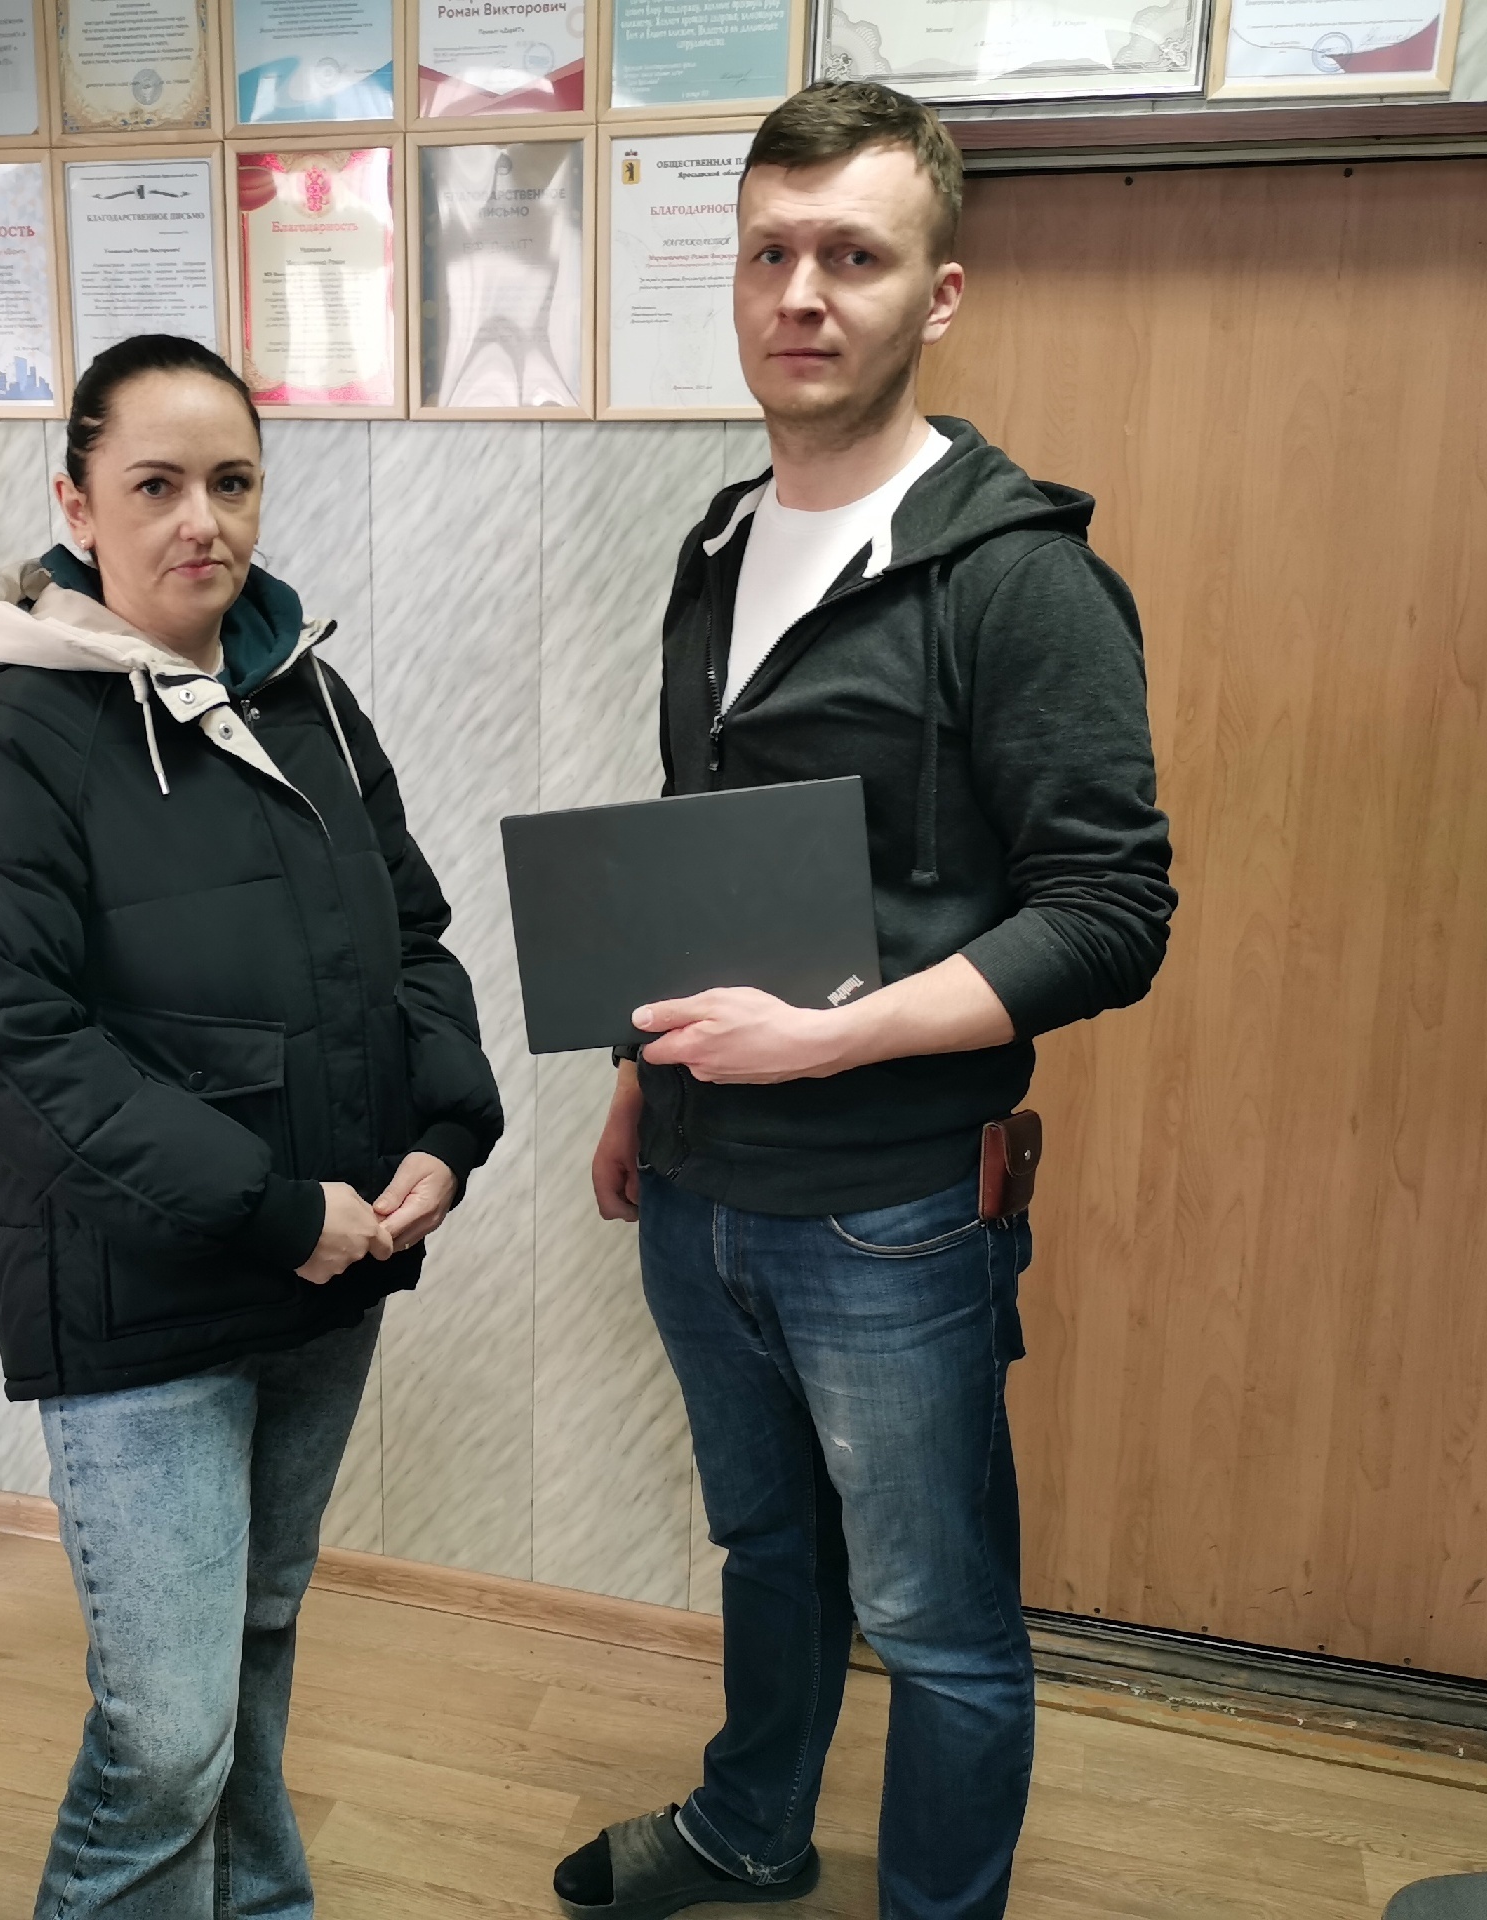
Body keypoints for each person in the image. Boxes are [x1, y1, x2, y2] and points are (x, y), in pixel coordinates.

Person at [555, 84, 1175, 1920]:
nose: (802, 294)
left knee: (936, 1621)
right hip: (699, 1182)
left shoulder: (1021, 580)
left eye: (853, 255)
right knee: (767, 1548)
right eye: (772, 253)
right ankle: (751, 1830)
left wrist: (831, 1039)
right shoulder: (714, 547)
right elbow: (700, 849)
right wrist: (637, 1075)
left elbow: (1113, 915)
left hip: (893, 1215)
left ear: (940, 293)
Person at [0, 333, 503, 1920]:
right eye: (155, 485)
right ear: (75, 506)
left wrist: (446, 1126)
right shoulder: (14, 744)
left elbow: (412, 938)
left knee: (251, 1648)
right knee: (165, 1737)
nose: (202, 523)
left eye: (231, 483)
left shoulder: (306, 695)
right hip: (147, 1302)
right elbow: (18, 1054)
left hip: (325, 1274)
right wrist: (272, 1208)